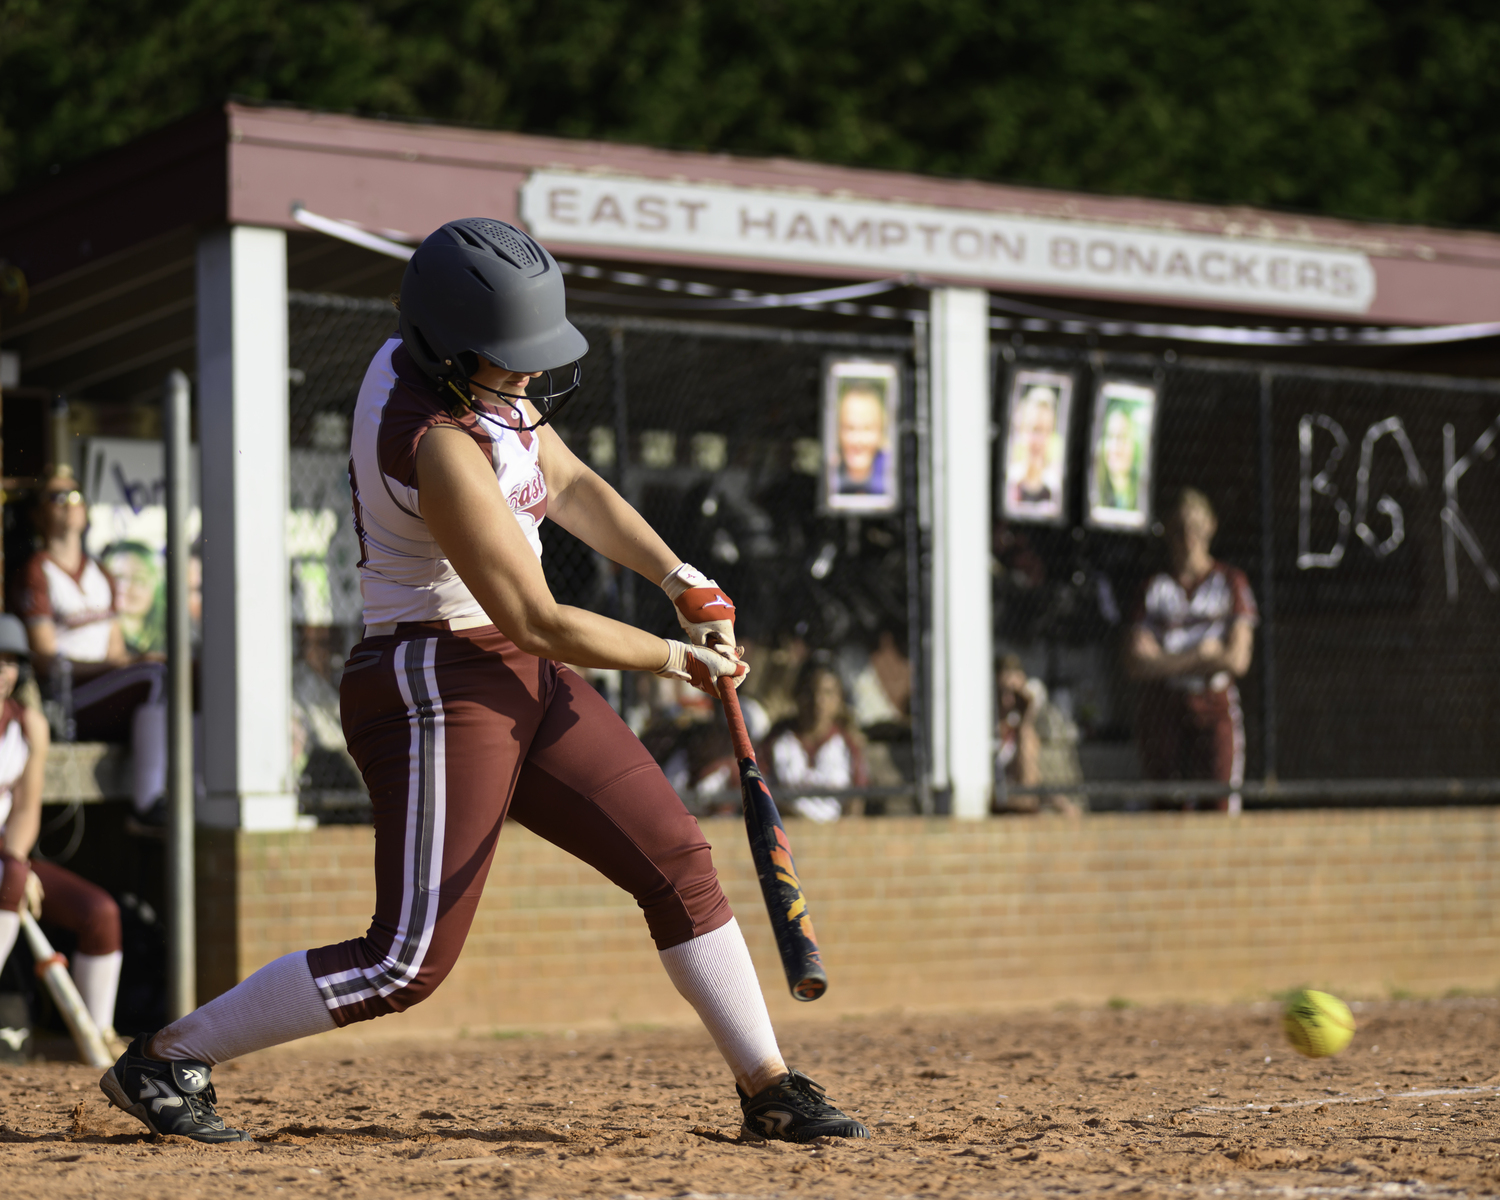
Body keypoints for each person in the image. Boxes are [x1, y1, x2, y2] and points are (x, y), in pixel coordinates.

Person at [99, 217, 868, 1145]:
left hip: (516, 674)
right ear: (445, 350)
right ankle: (165, 1060)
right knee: (405, 964)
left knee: (677, 862)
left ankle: (769, 1085)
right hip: (434, 680)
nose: (529, 380)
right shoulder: (430, 441)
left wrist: (680, 579)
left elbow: (570, 480)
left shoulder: (469, 380)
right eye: (509, 361)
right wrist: (678, 659)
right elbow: (536, 617)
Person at [0, 614, 125, 1053]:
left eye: (10, 661)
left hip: (6, 859)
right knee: (11, 879)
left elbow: (26, 808)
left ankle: (98, 1037)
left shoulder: (28, 722)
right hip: (4, 866)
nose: (2, 671)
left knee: (100, 913)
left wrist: (14, 861)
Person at [16, 470, 167, 821]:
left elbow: (116, 651)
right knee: (154, 676)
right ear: (39, 515)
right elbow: (45, 661)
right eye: (57, 498)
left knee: (183, 674)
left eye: (75, 496)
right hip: (69, 697)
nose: (69, 506)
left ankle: (194, 790)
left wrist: (126, 665)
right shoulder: (36, 572)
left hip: (106, 688)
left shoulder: (100, 572)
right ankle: (147, 803)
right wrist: (125, 668)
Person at [1123, 489, 1257, 812]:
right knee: (1167, 804)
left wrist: (1163, 658)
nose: (1189, 537)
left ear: (1211, 527)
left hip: (1213, 705)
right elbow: (1135, 662)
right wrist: (1202, 656)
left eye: (1197, 527)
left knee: (1219, 802)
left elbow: (1237, 659)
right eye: (1181, 527)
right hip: (1164, 706)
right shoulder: (1154, 588)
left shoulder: (1230, 581)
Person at [762, 659, 867, 823]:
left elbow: (857, 798)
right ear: (796, 694)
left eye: (827, 693)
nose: (818, 701)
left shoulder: (847, 743)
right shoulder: (777, 739)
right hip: (785, 835)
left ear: (839, 698)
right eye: (810, 692)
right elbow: (760, 792)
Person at [834, 382, 889, 496]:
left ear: (881, 432)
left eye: (867, 429)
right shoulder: (830, 475)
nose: (858, 441)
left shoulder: (892, 476)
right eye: (849, 428)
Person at [1009, 385, 1058, 508]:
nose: (1040, 440)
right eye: (1035, 430)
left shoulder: (1056, 490)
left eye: (1047, 431)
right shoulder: (1009, 484)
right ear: (1021, 430)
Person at [1096, 403, 1140, 512]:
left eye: (1122, 437)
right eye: (1110, 436)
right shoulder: (1094, 492)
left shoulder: (1141, 492)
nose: (1115, 447)